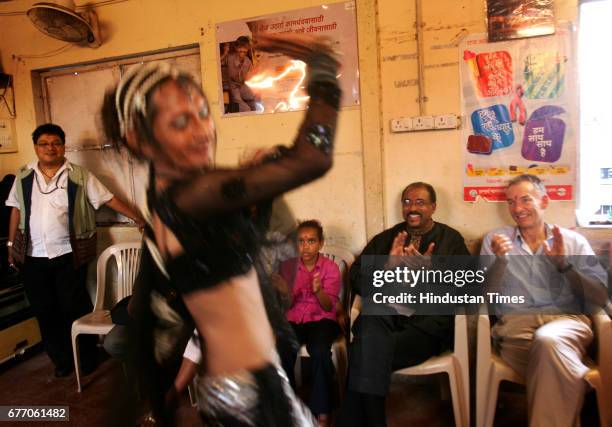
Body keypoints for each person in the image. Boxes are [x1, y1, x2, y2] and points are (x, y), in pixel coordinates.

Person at [100, 33, 341, 425]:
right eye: (180, 122)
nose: (202, 131)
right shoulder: (192, 195)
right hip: (249, 393)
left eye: (202, 113)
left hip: (240, 387)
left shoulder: (168, 203)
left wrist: (255, 188)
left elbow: (233, 266)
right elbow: (312, 159)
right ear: (139, 139)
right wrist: (324, 69)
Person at [4, 123, 143, 378]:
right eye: (44, 143)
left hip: (69, 254)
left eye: (56, 142)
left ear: (63, 146)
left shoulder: (79, 175)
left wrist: (139, 218)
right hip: (33, 257)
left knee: (74, 307)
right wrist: (11, 245)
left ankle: (86, 357)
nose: (50, 148)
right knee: (44, 311)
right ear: (36, 147)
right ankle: (61, 360)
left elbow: (109, 199)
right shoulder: (23, 176)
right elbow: (15, 208)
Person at [337, 182, 470, 427]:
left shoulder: (450, 240)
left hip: (425, 325)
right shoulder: (388, 238)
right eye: (407, 202)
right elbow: (356, 277)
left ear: (433, 207)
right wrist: (387, 267)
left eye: (420, 202)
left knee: (364, 351)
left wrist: (432, 272)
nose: (412, 208)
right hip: (384, 313)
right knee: (369, 328)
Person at [480, 174, 608, 427]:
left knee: (549, 341)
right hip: (517, 328)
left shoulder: (572, 241)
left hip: (566, 323)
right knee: (554, 359)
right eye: (511, 202)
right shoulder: (496, 240)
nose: (517, 209)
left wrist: (564, 265)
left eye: (526, 200)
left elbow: (601, 296)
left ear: (545, 201)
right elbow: (483, 297)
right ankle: (574, 373)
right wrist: (501, 262)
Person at [275, 220, 341, 427]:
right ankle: (290, 404)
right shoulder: (287, 267)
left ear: (320, 243)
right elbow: (286, 305)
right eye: (301, 241)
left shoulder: (330, 268)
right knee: (282, 348)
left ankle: (321, 408)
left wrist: (318, 290)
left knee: (320, 350)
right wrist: (285, 292)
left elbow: (329, 306)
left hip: (322, 319)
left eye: (311, 241)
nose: (306, 246)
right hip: (294, 318)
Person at [220, 36, 260, 112]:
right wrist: (224, 53)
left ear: (247, 50)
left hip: (243, 86)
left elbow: (251, 78)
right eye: (240, 50)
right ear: (236, 48)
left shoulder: (248, 62)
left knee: (256, 97)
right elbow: (217, 64)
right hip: (233, 87)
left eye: (244, 51)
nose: (242, 53)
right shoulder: (229, 58)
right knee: (246, 109)